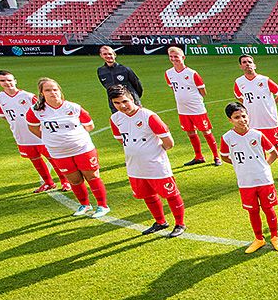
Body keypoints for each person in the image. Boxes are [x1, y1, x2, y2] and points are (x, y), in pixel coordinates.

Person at [26, 78, 110, 218]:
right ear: (41, 93)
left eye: (55, 89)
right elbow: (32, 127)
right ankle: (85, 204)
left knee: (92, 176)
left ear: (59, 90)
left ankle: (102, 206)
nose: (53, 93)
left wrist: (75, 137)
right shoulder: (36, 111)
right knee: (74, 180)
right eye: (48, 90)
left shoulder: (73, 107)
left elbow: (89, 125)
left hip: (83, 149)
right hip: (58, 152)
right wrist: (49, 139)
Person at [108, 85, 186, 237]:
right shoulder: (115, 118)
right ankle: (160, 222)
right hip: (134, 166)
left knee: (170, 194)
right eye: (117, 103)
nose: (122, 106)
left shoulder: (148, 116)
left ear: (131, 98)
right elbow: (121, 140)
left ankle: (180, 224)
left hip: (156, 165)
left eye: (124, 101)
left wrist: (152, 152)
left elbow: (168, 142)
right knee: (147, 195)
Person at [218, 101, 278, 253]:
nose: (241, 120)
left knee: (268, 208)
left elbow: (274, 153)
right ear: (230, 120)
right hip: (245, 181)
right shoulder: (227, 138)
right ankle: (259, 239)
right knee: (253, 211)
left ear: (248, 116)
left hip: (263, 179)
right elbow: (225, 157)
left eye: (243, 116)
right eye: (236, 117)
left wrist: (264, 166)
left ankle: (275, 236)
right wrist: (240, 166)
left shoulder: (257, 135)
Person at [0, 70, 70, 193]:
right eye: (2, 81)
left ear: (15, 80)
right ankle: (48, 182)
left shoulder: (27, 96)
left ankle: (65, 182)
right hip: (20, 134)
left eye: (9, 80)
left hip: (37, 133)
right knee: (34, 159)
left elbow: (42, 110)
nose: (7, 83)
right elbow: (2, 115)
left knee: (52, 158)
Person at [234, 55, 278, 181]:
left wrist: (271, 104)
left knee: (276, 145)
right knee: (257, 146)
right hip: (252, 121)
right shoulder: (239, 82)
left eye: (250, 62)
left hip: (269, 120)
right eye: (244, 62)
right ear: (240, 66)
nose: (248, 64)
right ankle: (264, 170)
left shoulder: (264, 80)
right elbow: (238, 95)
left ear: (254, 65)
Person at [165, 46, 221, 166]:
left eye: (176, 56)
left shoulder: (192, 73)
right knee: (190, 132)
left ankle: (216, 156)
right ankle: (199, 156)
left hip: (196, 108)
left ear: (183, 57)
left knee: (205, 131)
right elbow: (173, 88)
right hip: (182, 109)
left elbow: (203, 91)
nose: (173, 59)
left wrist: (193, 99)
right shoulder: (168, 73)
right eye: (171, 57)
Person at [97, 45, 143, 114]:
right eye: (105, 54)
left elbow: (137, 85)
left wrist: (134, 98)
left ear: (114, 55)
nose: (108, 56)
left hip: (131, 103)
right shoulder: (100, 71)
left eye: (110, 54)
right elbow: (106, 86)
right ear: (101, 55)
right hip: (115, 106)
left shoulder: (125, 69)